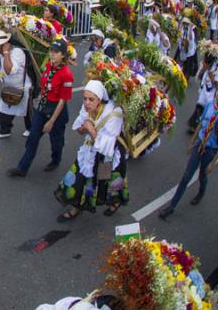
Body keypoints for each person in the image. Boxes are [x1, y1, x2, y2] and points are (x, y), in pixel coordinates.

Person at [160, 79, 218, 220]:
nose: (216, 94)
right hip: (199, 144)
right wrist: (192, 141)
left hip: (210, 150)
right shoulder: (210, 105)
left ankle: (201, 192)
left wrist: (213, 163)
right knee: (186, 176)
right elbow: (201, 124)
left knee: (202, 176)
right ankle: (172, 206)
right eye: (217, 91)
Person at [54, 80, 128, 221]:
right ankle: (76, 207)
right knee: (80, 176)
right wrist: (83, 128)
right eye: (85, 98)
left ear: (100, 99)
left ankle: (115, 202)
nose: (87, 102)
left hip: (108, 155)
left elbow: (105, 146)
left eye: (91, 99)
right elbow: (79, 129)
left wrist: (90, 129)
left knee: (109, 181)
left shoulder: (114, 114)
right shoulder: (87, 108)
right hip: (90, 149)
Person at [9, 41, 73, 177]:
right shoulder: (49, 66)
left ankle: (56, 160)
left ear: (63, 55)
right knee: (33, 137)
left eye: (56, 52)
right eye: (51, 50)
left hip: (56, 111)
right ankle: (22, 168)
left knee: (56, 141)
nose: (52, 54)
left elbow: (63, 100)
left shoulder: (66, 74)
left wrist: (51, 121)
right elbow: (44, 85)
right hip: (43, 108)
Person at [0, 30, 33, 140]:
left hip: (23, 86)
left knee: (27, 110)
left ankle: (31, 129)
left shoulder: (17, 52)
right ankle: (5, 130)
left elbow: (9, 70)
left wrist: (6, 53)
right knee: (4, 109)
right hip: (9, 87)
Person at [186, 53, 218, 135]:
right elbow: (198, 77)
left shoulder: (217, 71)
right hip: (203, 93)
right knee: (198, 107)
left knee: (205, 111)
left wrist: (212, 78)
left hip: (210, 96)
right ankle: (194, 125)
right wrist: (203, 69)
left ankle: (201, 127)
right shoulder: (204, 66)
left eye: (206, 62)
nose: (204, 63)